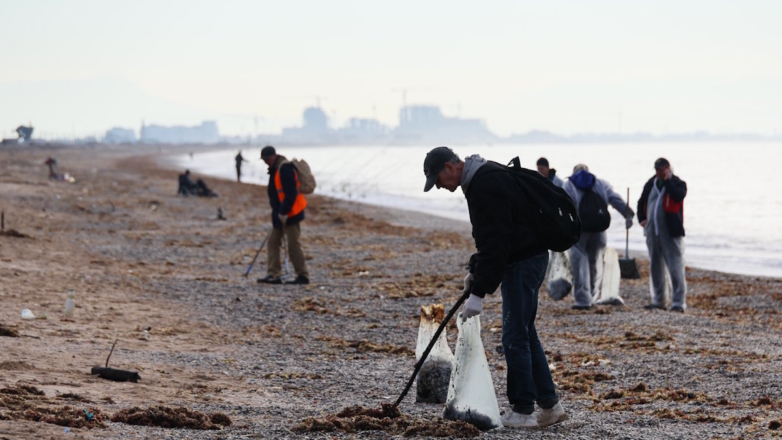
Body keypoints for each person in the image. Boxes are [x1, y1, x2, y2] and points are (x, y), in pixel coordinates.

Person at [423, 146, 567, 429]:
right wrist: (475, 272)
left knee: (514, 337)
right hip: (529, 257)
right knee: (525, 333)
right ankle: (550, 407)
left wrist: (478, 293)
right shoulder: (483, 177)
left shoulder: (484, 185)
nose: (439, 187)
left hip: (523, 262)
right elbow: (493, 239)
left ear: (450, 168)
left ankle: (523, 410)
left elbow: (498, 243)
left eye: (438, 180)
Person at [562, 164, 633, 309]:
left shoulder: (569, 184)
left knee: (578, 265)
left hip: (579, 231)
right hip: (598, 231)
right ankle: (593, 296)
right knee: (594, 264)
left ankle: (583, 300)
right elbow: (615, 199)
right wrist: (628, 213)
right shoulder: (600, 183)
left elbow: (564, 205)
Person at [637, 158, 688, 312]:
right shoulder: (650, 183)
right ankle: (659, 300)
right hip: (653, 232)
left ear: (668, 168)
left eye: (662, 169)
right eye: (657, 169)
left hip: (671, 232)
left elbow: (679, 195)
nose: (659, 172)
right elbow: (641, 202)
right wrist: (642, 219)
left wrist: (668, 181)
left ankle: (678, 302)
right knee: (655, 266)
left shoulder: (678, 183)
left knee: (675, 266)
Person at [256, 146, 310, 285]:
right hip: (281, 214)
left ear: (274, 156)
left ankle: (302, 276)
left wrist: (283, 212)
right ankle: (273, 274)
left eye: (267, 159)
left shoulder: (284, 168)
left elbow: (291, 194)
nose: (265, 162)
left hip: (291, 213)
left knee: (293, 246)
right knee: (273, 242)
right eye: (264, 160)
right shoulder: (275, 169)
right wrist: (278, 214)